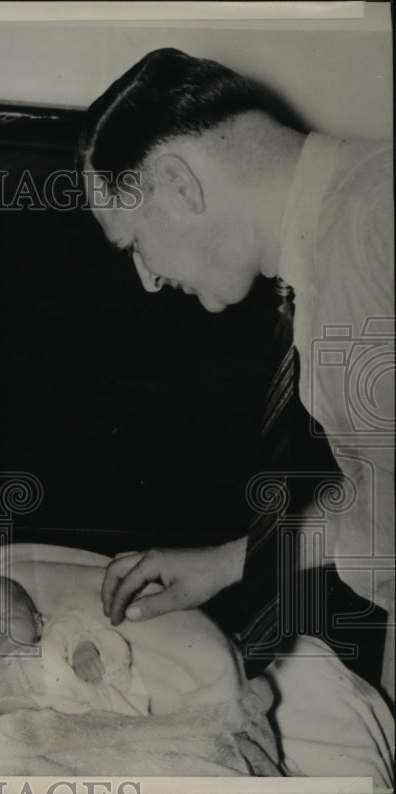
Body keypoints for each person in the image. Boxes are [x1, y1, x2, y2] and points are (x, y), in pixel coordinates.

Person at [78, 48, 393, 782]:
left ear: (178, 183)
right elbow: (385, 499)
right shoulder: (338, 239)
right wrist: (232, 562)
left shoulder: (379, 223)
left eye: (134, 243)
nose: (147, 279)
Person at [0, 575, 150, 716]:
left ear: (37, 622)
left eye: (4, 613)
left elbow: (114, 648)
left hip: (98, 724)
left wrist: (86, 649)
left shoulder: (58, 635)